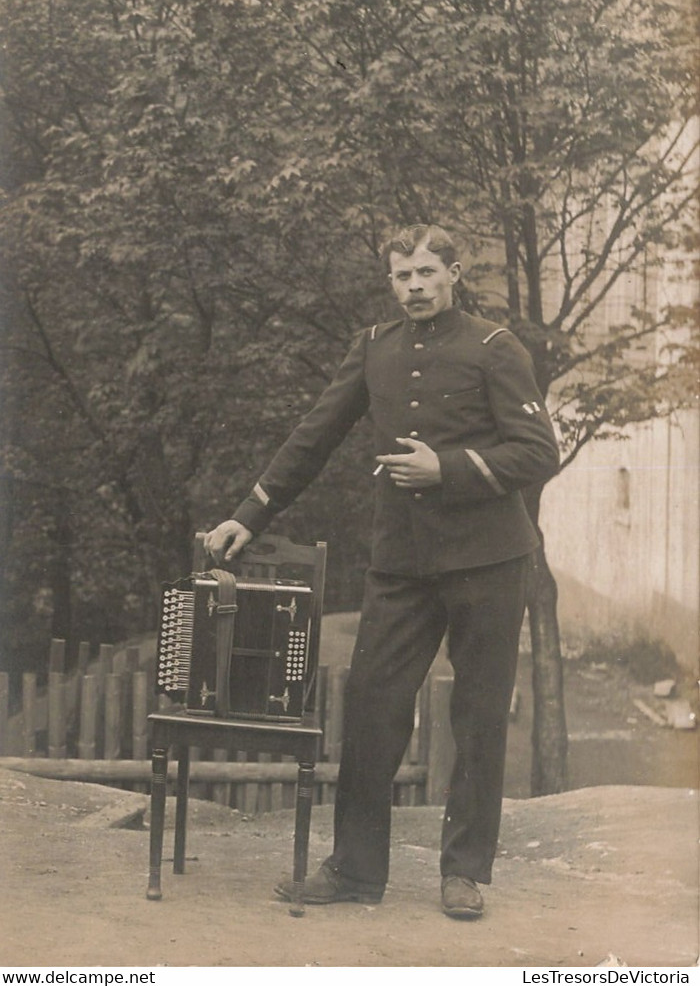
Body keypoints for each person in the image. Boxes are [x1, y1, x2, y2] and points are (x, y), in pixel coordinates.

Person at [204, 224, 560, 918]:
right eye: (402, 275)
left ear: (455, 273)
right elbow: (314, 433)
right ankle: (357, 870)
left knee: (479, 715)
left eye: (429, 271)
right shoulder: (373, 348)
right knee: (370, 703)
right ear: (390, 283)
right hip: (402, 562)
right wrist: (251, 513)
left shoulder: (495, 347)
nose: (416, 285)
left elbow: (537, 449)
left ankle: (463, 874)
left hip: (490, 559)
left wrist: (446, 468)